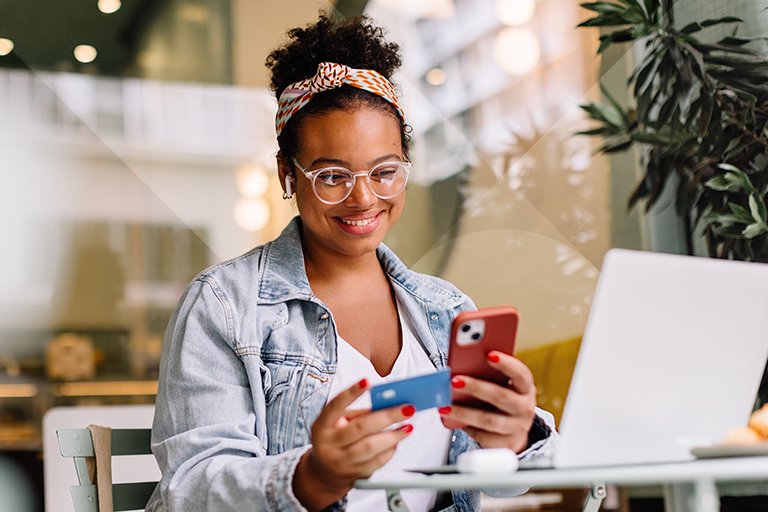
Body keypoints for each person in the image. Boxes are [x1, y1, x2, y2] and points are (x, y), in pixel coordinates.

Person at [146, 13, 557, 512]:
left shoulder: (446, 310)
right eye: (332, 175)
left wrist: (512, 440)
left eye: (385, 171)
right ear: (287, 175)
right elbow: (191, 489)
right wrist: (312, 478)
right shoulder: (224, 306)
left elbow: (502, 481)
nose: (364, 198)